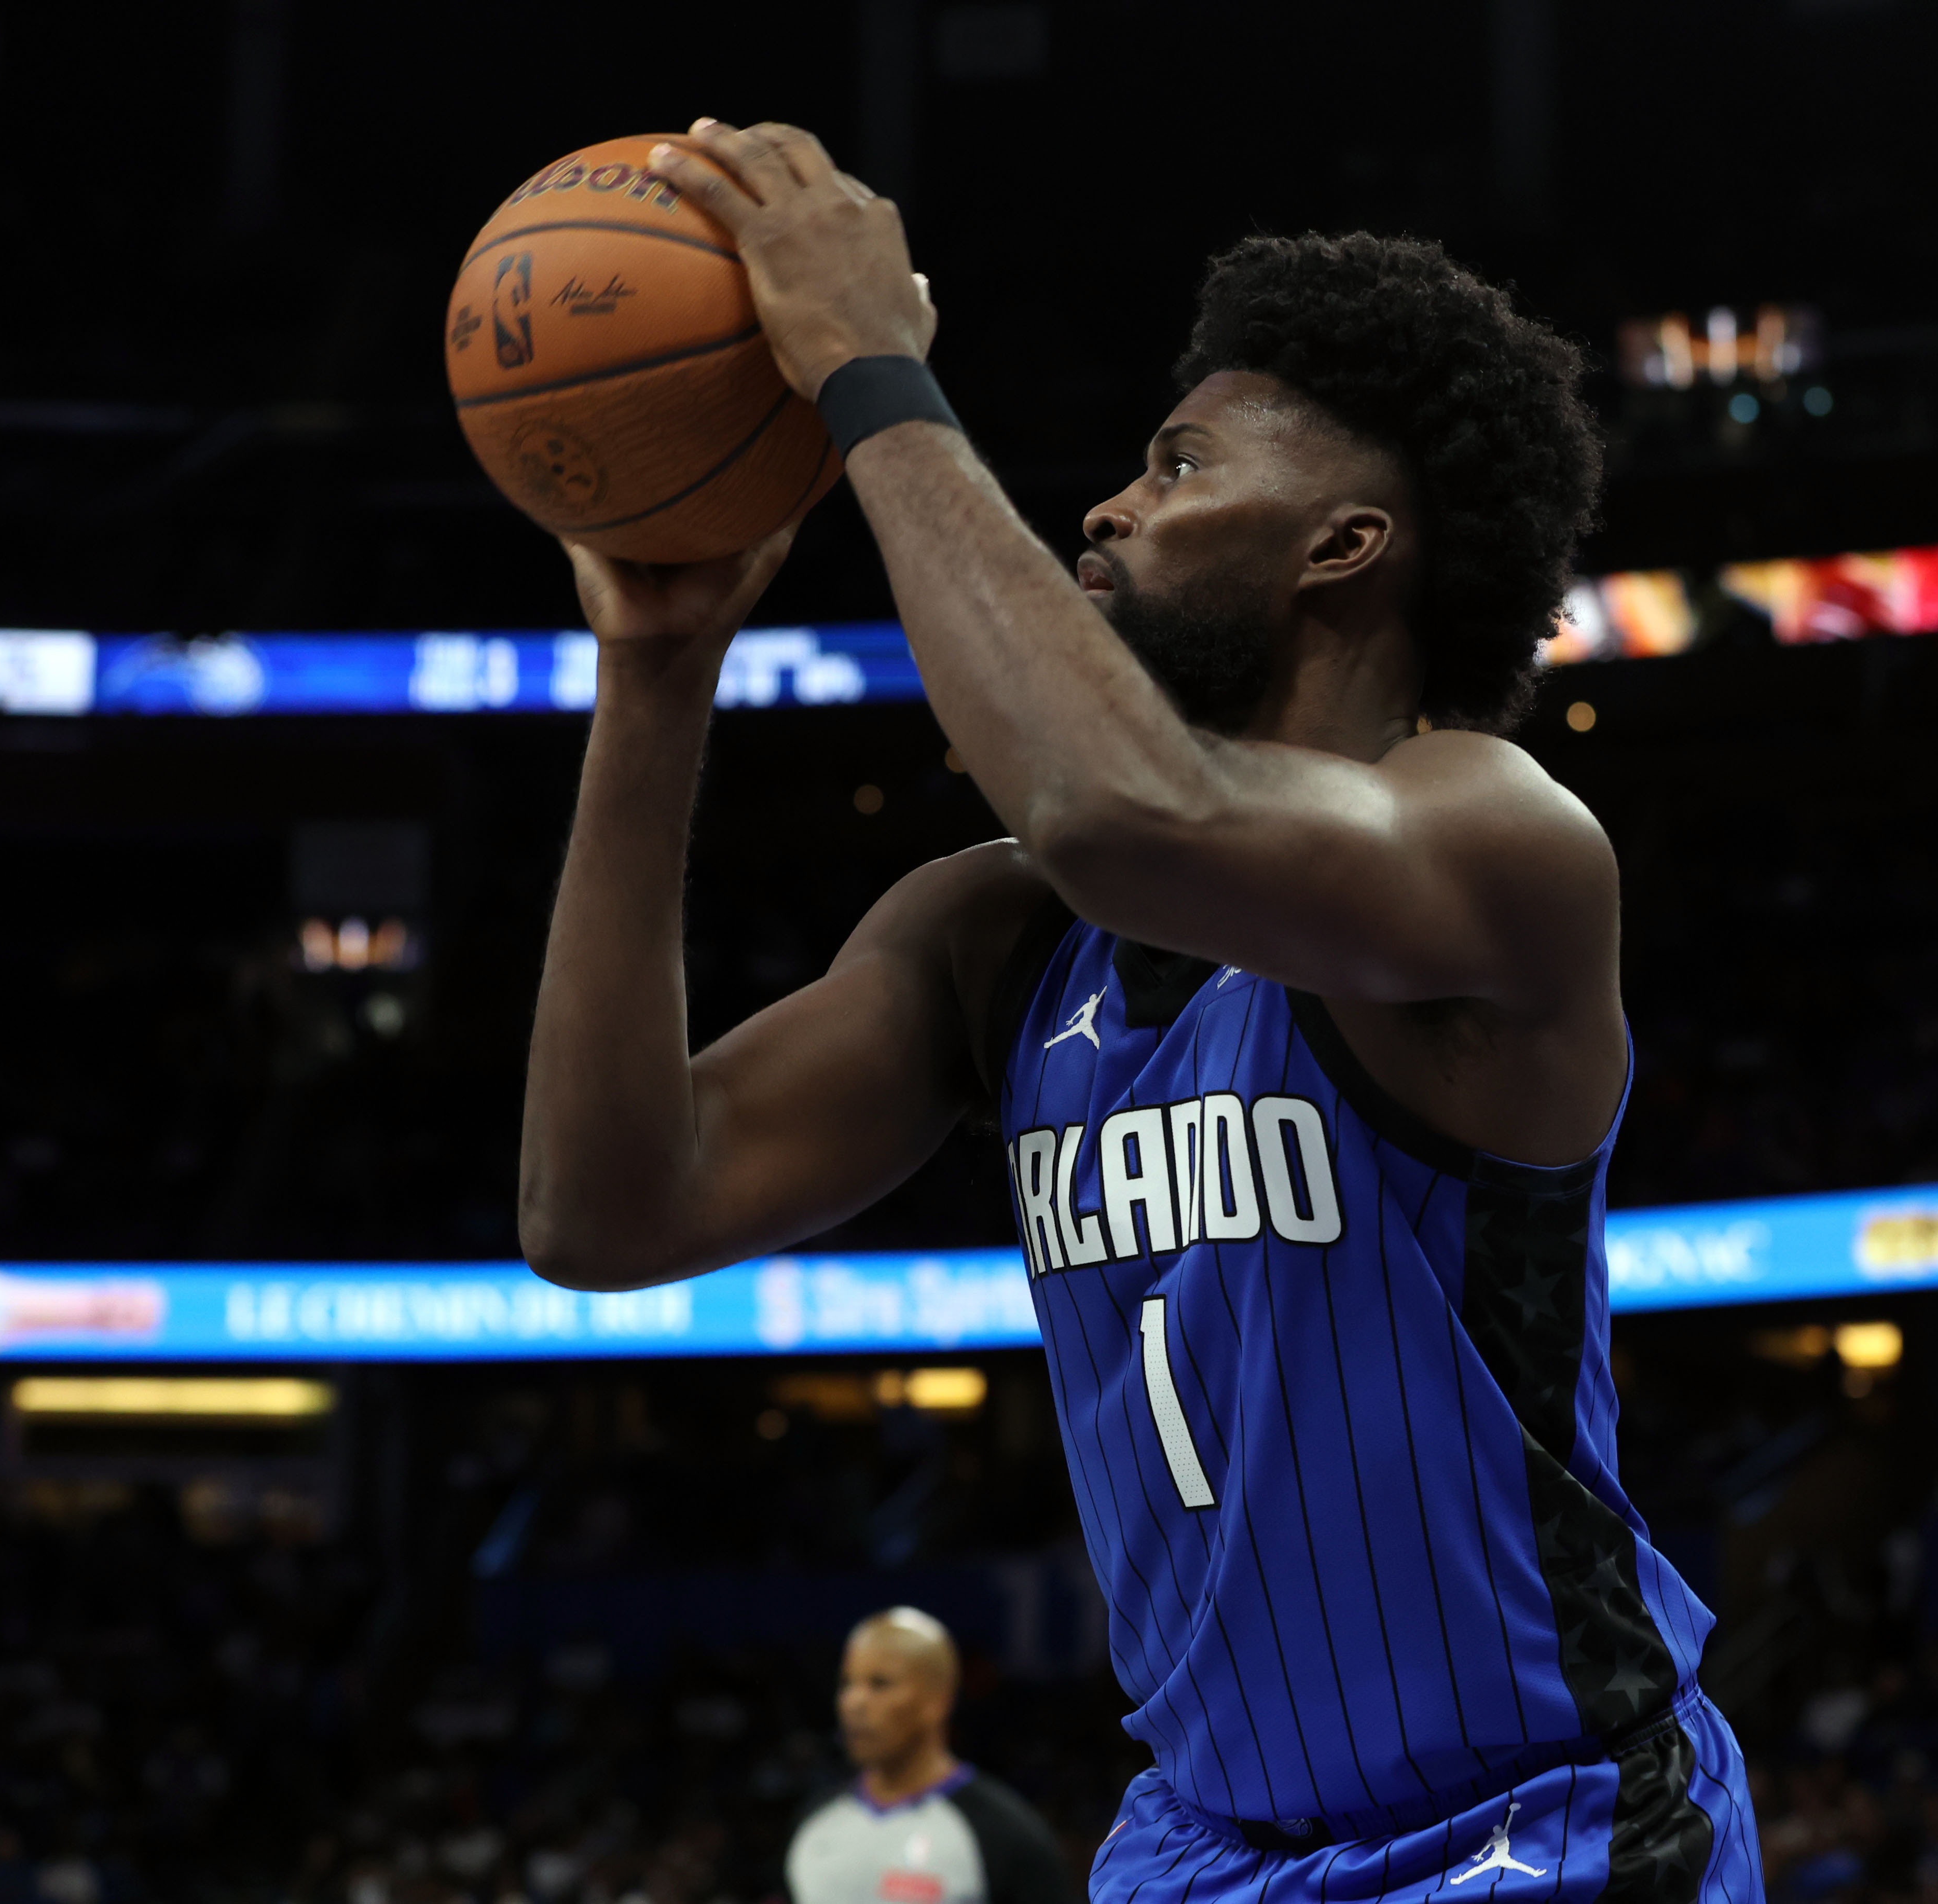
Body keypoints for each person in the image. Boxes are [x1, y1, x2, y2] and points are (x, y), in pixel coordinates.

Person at [519, 118, 1763, 1904]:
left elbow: (1116, 812)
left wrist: (870, 374)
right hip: (1199, 1845)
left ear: (1343, 543)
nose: (1108, 505)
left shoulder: (1495, 839)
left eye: (1178, 465)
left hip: (1539, 1829)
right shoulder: (998, 933)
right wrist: (656, 670)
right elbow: (605, 1210)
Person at [786, 1609, 1071, 1904]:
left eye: (880, 1683)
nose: (854, 1702)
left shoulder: (1006, 1835)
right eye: (847, 1683)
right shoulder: (813, 1822)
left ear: (938, 1699)